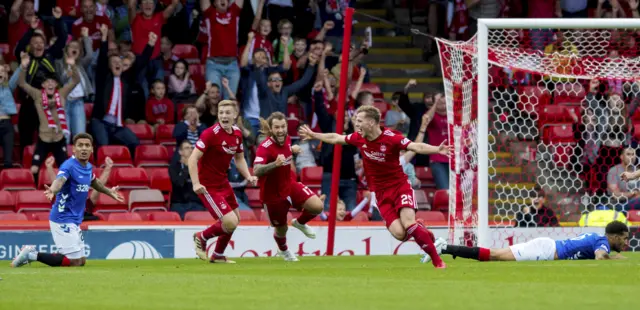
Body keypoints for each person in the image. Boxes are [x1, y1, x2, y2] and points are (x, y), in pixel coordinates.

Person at [298, 105, 452, 268]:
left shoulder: (392, 138)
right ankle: (419, 228)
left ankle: (438, 261)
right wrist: (314, 134)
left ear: (371, 123)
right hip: (380, 194)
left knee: (408, 224)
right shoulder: (359, 138)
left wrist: (437, 149)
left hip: (400, 187)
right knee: (400, 234)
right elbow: (336, 138)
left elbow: (416, 146)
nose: (356, 125)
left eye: (359, 121)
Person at [10, 133, 124, 268]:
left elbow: (94, 182)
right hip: (62, 218)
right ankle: (31, 254)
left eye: (87, 145)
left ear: (92, 149)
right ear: (74, 149)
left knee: (81, 261)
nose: (84, 148)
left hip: (74, 220)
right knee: (74, 262)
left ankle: (38, 255)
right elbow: (59, 181)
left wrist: (109, 191)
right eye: (80, 145)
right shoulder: (68, 166)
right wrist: (53, 190)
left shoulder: (87, 167)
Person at [190, 100, 258, 263]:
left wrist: (248, 175)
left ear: (235, 115)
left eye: (228, 113)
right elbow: (192, 158)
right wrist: (196, 183)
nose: (224, 116)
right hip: (208, 186)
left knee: (235, 219)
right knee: (230, 222)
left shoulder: (237, 134)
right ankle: (201, 236)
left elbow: (239, 158)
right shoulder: (210, 134)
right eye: (221, 112)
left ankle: (218, 254)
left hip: (223, 183)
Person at [253, 112, 323, 262]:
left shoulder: (287, 139)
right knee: (282, 229)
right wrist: (274, 164)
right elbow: (256, 170)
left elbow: (284, 153)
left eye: (283, 126)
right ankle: (284, 250)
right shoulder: (264, 147)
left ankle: (300, 222)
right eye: (277, 127)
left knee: (317, 206)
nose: (280, 130)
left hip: (289, 184)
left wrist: (292, 151)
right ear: (271, 129)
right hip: (272, 195)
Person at [91, 24, 153, 156]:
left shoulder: (125, 80)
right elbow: (102, 59)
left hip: (117, 126)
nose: (117, 64)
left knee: (134, 143)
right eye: (113, 63)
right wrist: (104, 38)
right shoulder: (103, 78)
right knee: (104, 146)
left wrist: (150, 45)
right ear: (108, 67)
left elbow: (140, 64)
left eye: (119, 63)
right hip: (100, 121)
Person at [432, 220, 629, 262]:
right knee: (493, 255)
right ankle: (445, 248)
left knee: (494, 254)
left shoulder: (597, 238)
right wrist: (617, 260)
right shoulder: (602, 242)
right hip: (545, 251)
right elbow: (600, 257)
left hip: (547, 246)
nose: (626, 243)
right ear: (613, 236)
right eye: (624, 238)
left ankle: (445, 247)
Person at [18, 52, 80, 180]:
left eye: (53, 82)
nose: (50, 84)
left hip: (59, 139)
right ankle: (35, 195)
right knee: (34, 169)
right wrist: (24, 67)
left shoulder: (62, 93)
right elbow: (22, 84)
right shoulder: (37, 94)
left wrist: (73, 66)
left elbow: (76, 80)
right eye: (47, 82)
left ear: (56, 84)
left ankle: (65, 193)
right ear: (43, 85)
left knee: (65, 170)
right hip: (43, 140)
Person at [170, 140, 206, 219]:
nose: (190, 150)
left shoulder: (200, 167)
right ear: (180, 152)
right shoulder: (174, 167)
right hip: (179, 204)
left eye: (191, 148)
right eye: (187, 148)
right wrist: (186, 167)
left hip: (196, 204)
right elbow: (179, 184)